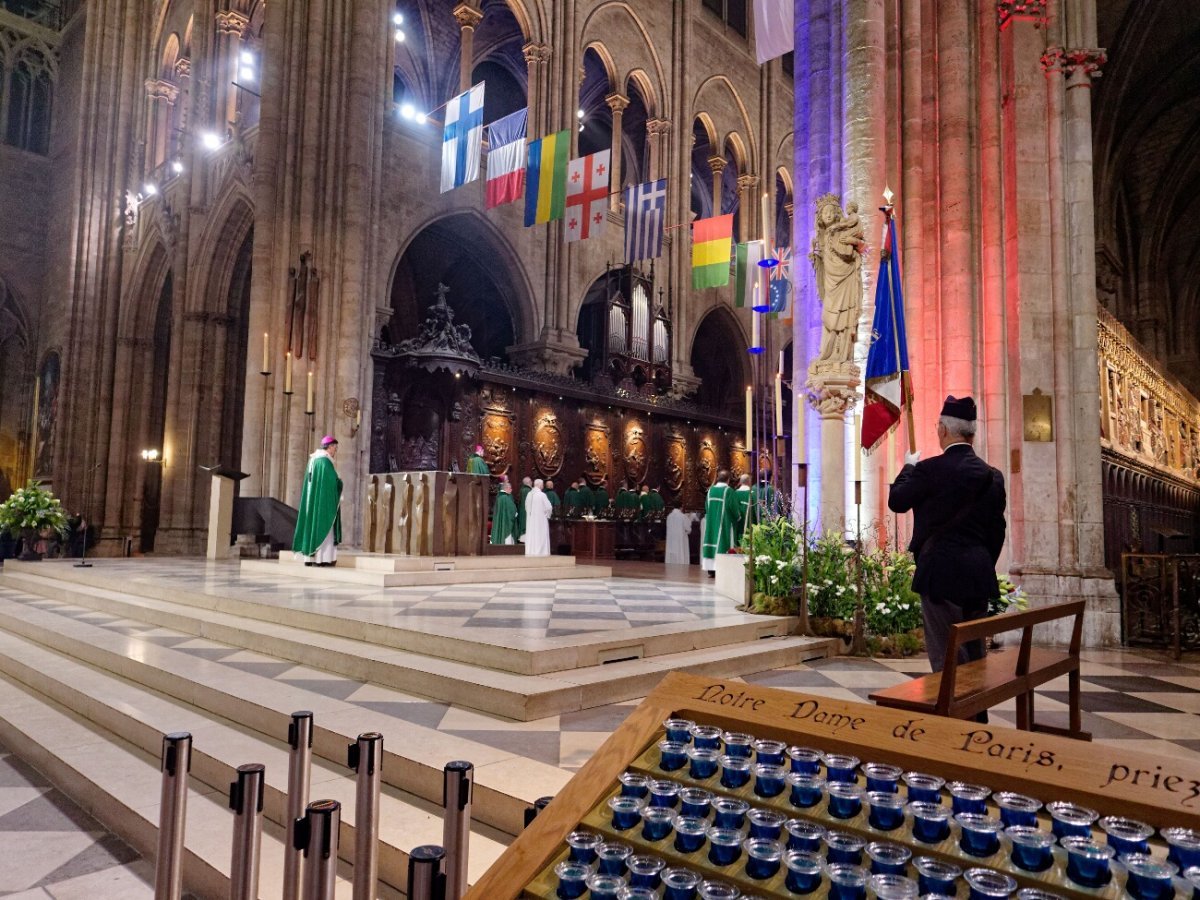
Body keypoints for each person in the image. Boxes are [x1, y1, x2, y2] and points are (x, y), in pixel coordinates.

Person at [888, 395, 1007, 675]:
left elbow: (897, 501)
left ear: (942, 429)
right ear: (972, 433)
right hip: (978, 573)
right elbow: (997, 531)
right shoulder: (993, 475)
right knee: (975, 659)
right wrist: (981, 560)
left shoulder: (929, 469)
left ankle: (952, 717)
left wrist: (908, 467)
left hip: (939, 574)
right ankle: (976, 717)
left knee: (946, 661)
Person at [293, 435, 343, 566]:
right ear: (330, 447)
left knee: (311, 526)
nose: (335, 451)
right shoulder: (325, 462)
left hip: (311, 502)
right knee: (324, 527)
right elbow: (333, 483)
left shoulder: (313, 460)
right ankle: (323, 559)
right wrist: (340, 483)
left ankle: (309, 559)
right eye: (335, 448)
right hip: (322, 504)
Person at [701, 470, 736, 578]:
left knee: (711, 539)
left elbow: (706, 507)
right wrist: (737, 518)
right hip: (724, 524)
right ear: (728, 480)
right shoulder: (728, 491)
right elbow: (734, 510)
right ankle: (720, 569)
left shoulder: (710, 491)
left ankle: (710, 570)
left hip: (711, 523)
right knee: (722, 542)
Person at [524, 478, 553, 556]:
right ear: (540, 485)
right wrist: (547, 515)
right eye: (542, 484)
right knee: (541, 536)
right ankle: (541, 552)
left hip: (531, 521)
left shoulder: (529, 494)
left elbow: (526, 507)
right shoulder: (542, 495)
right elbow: (549, 507)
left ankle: (531, 551)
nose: (543, 486)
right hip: (541, 521)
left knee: (532, 535)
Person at [490, 480, 517, 544]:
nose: (511, 490)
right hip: (506, 523)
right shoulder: (506, 498)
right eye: (510, 488)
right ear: (506, 488)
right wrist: (516, 513)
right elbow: (513, 510)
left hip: (499, 520)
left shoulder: (499, 497)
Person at [730, 473, 754, 546]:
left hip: (737, 523)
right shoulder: (752, 494)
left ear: (740, 482)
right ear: (749, 482)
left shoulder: (734, 493)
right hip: (749, 524)